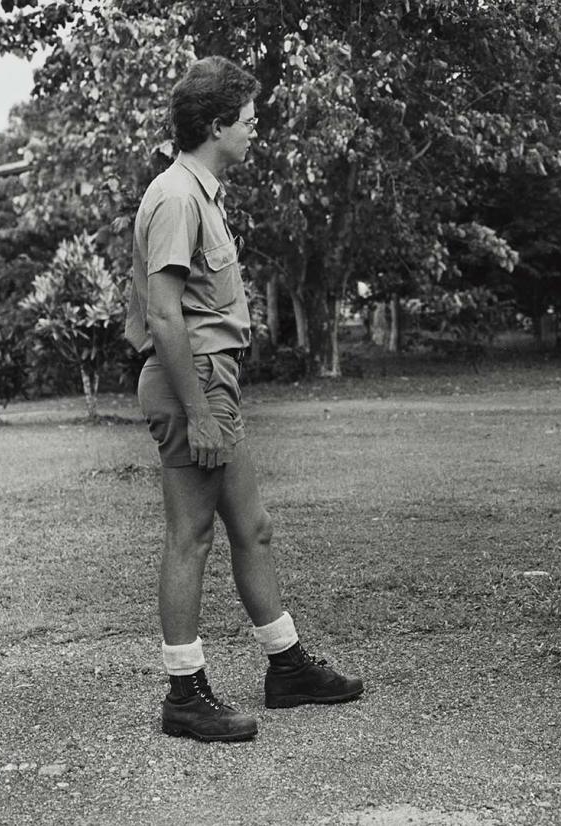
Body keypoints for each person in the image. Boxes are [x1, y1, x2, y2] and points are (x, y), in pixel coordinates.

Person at [124, 56, 363, 742]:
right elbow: (164, 316)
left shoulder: (201, 191)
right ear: (215, 124)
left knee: (251, 526)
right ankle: (185, 693)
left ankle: (286, 666)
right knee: (190, 536)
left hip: (212, 381)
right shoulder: (175, 195)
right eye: (248, 120)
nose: (255, 130)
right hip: (191, 382)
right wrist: (197, 410)